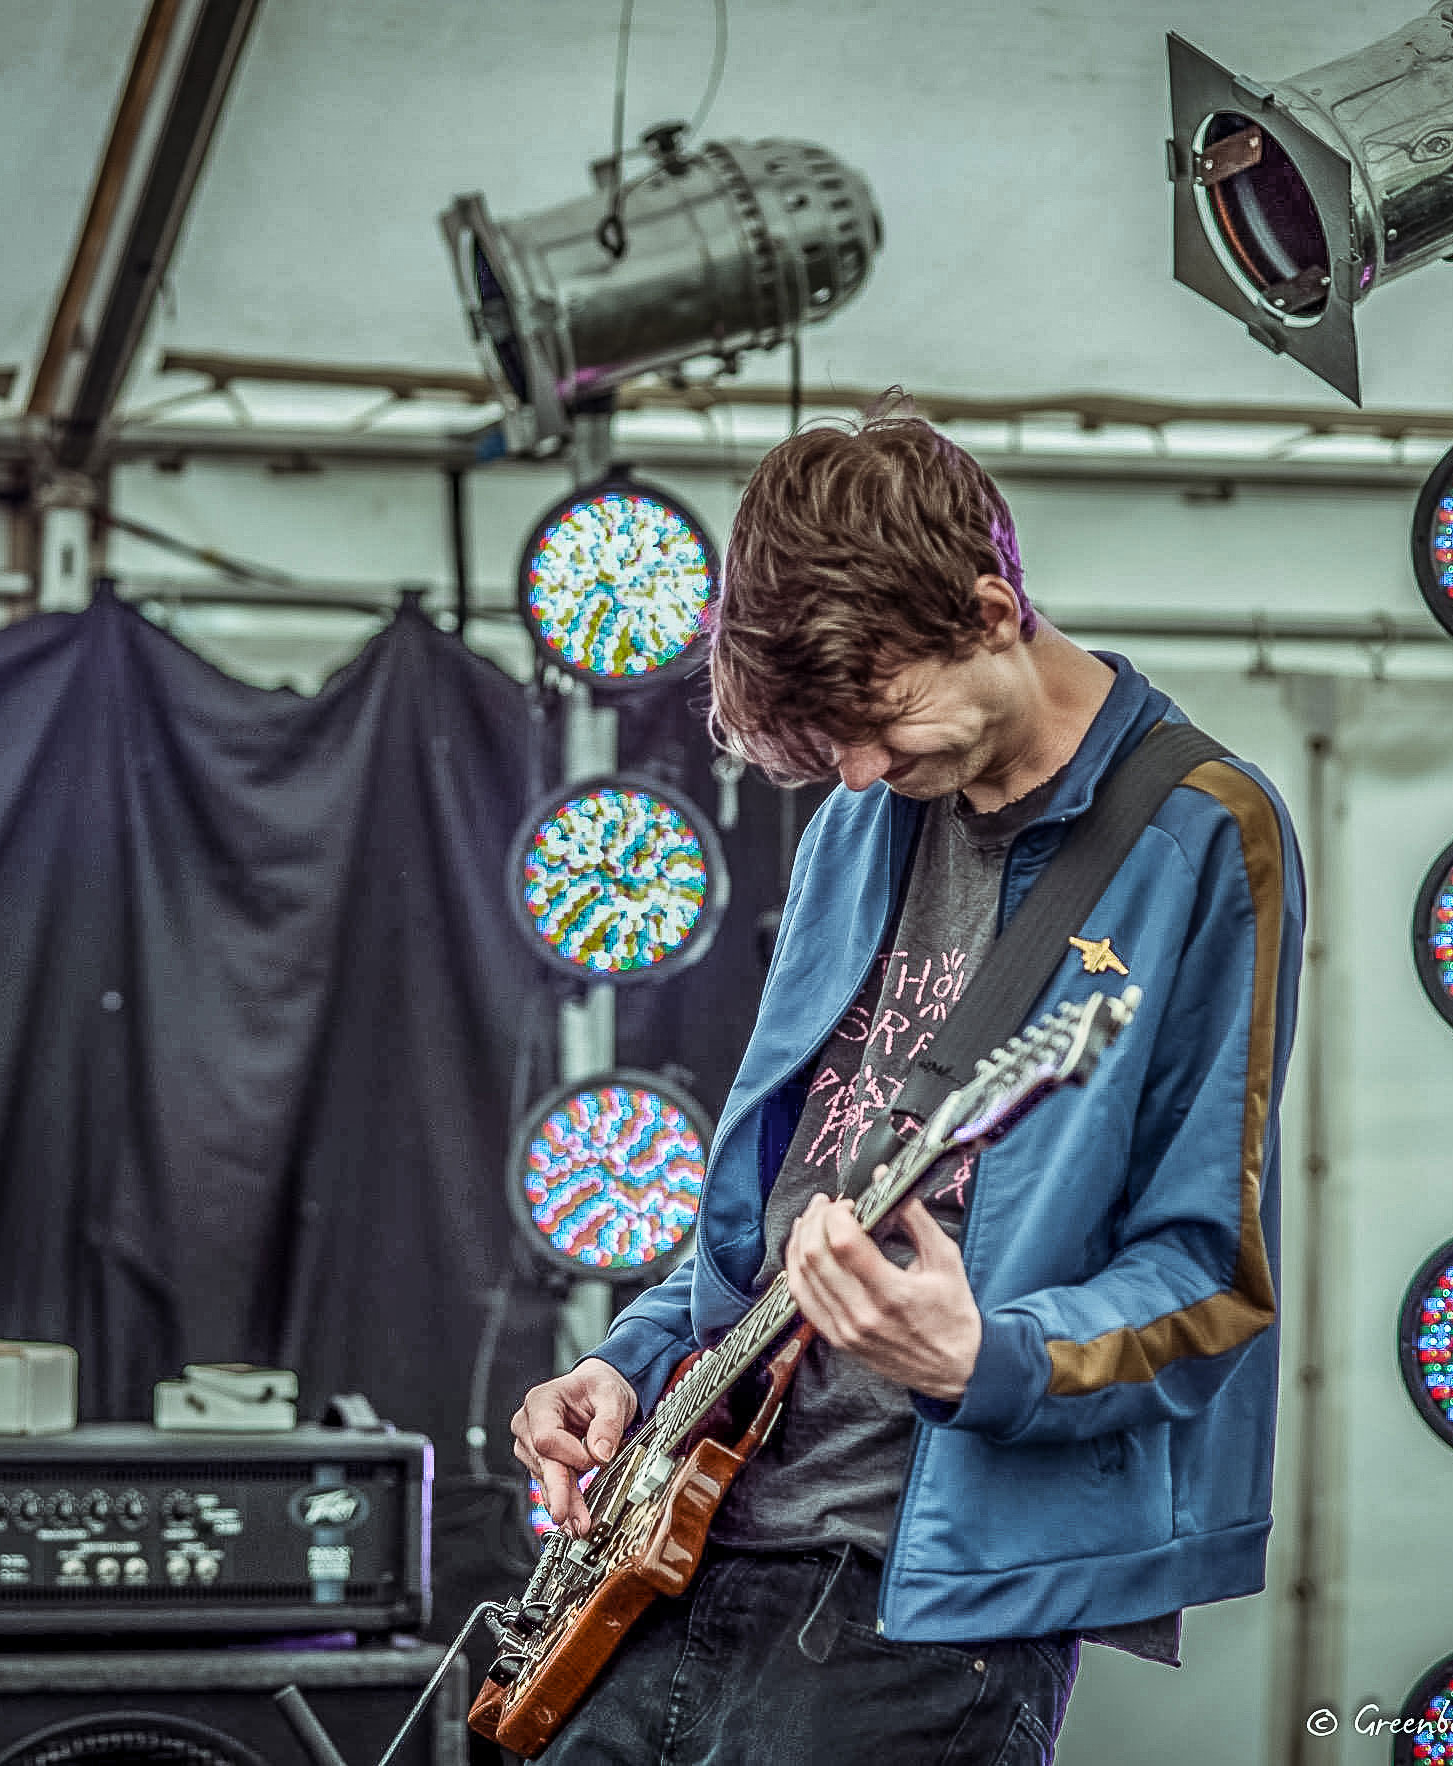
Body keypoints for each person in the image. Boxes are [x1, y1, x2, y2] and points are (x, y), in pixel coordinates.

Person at [510, 399, 1305, 1764]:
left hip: (919, 1614)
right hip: (689, 1543)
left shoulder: (1201, 838)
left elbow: (1211, 1283)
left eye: (877, 722)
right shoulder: (858, 819)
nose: (863, 773)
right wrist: (628, 1361)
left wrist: (977, 1355)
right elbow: (781, 1208)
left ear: (992, 605)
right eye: (832, 752)